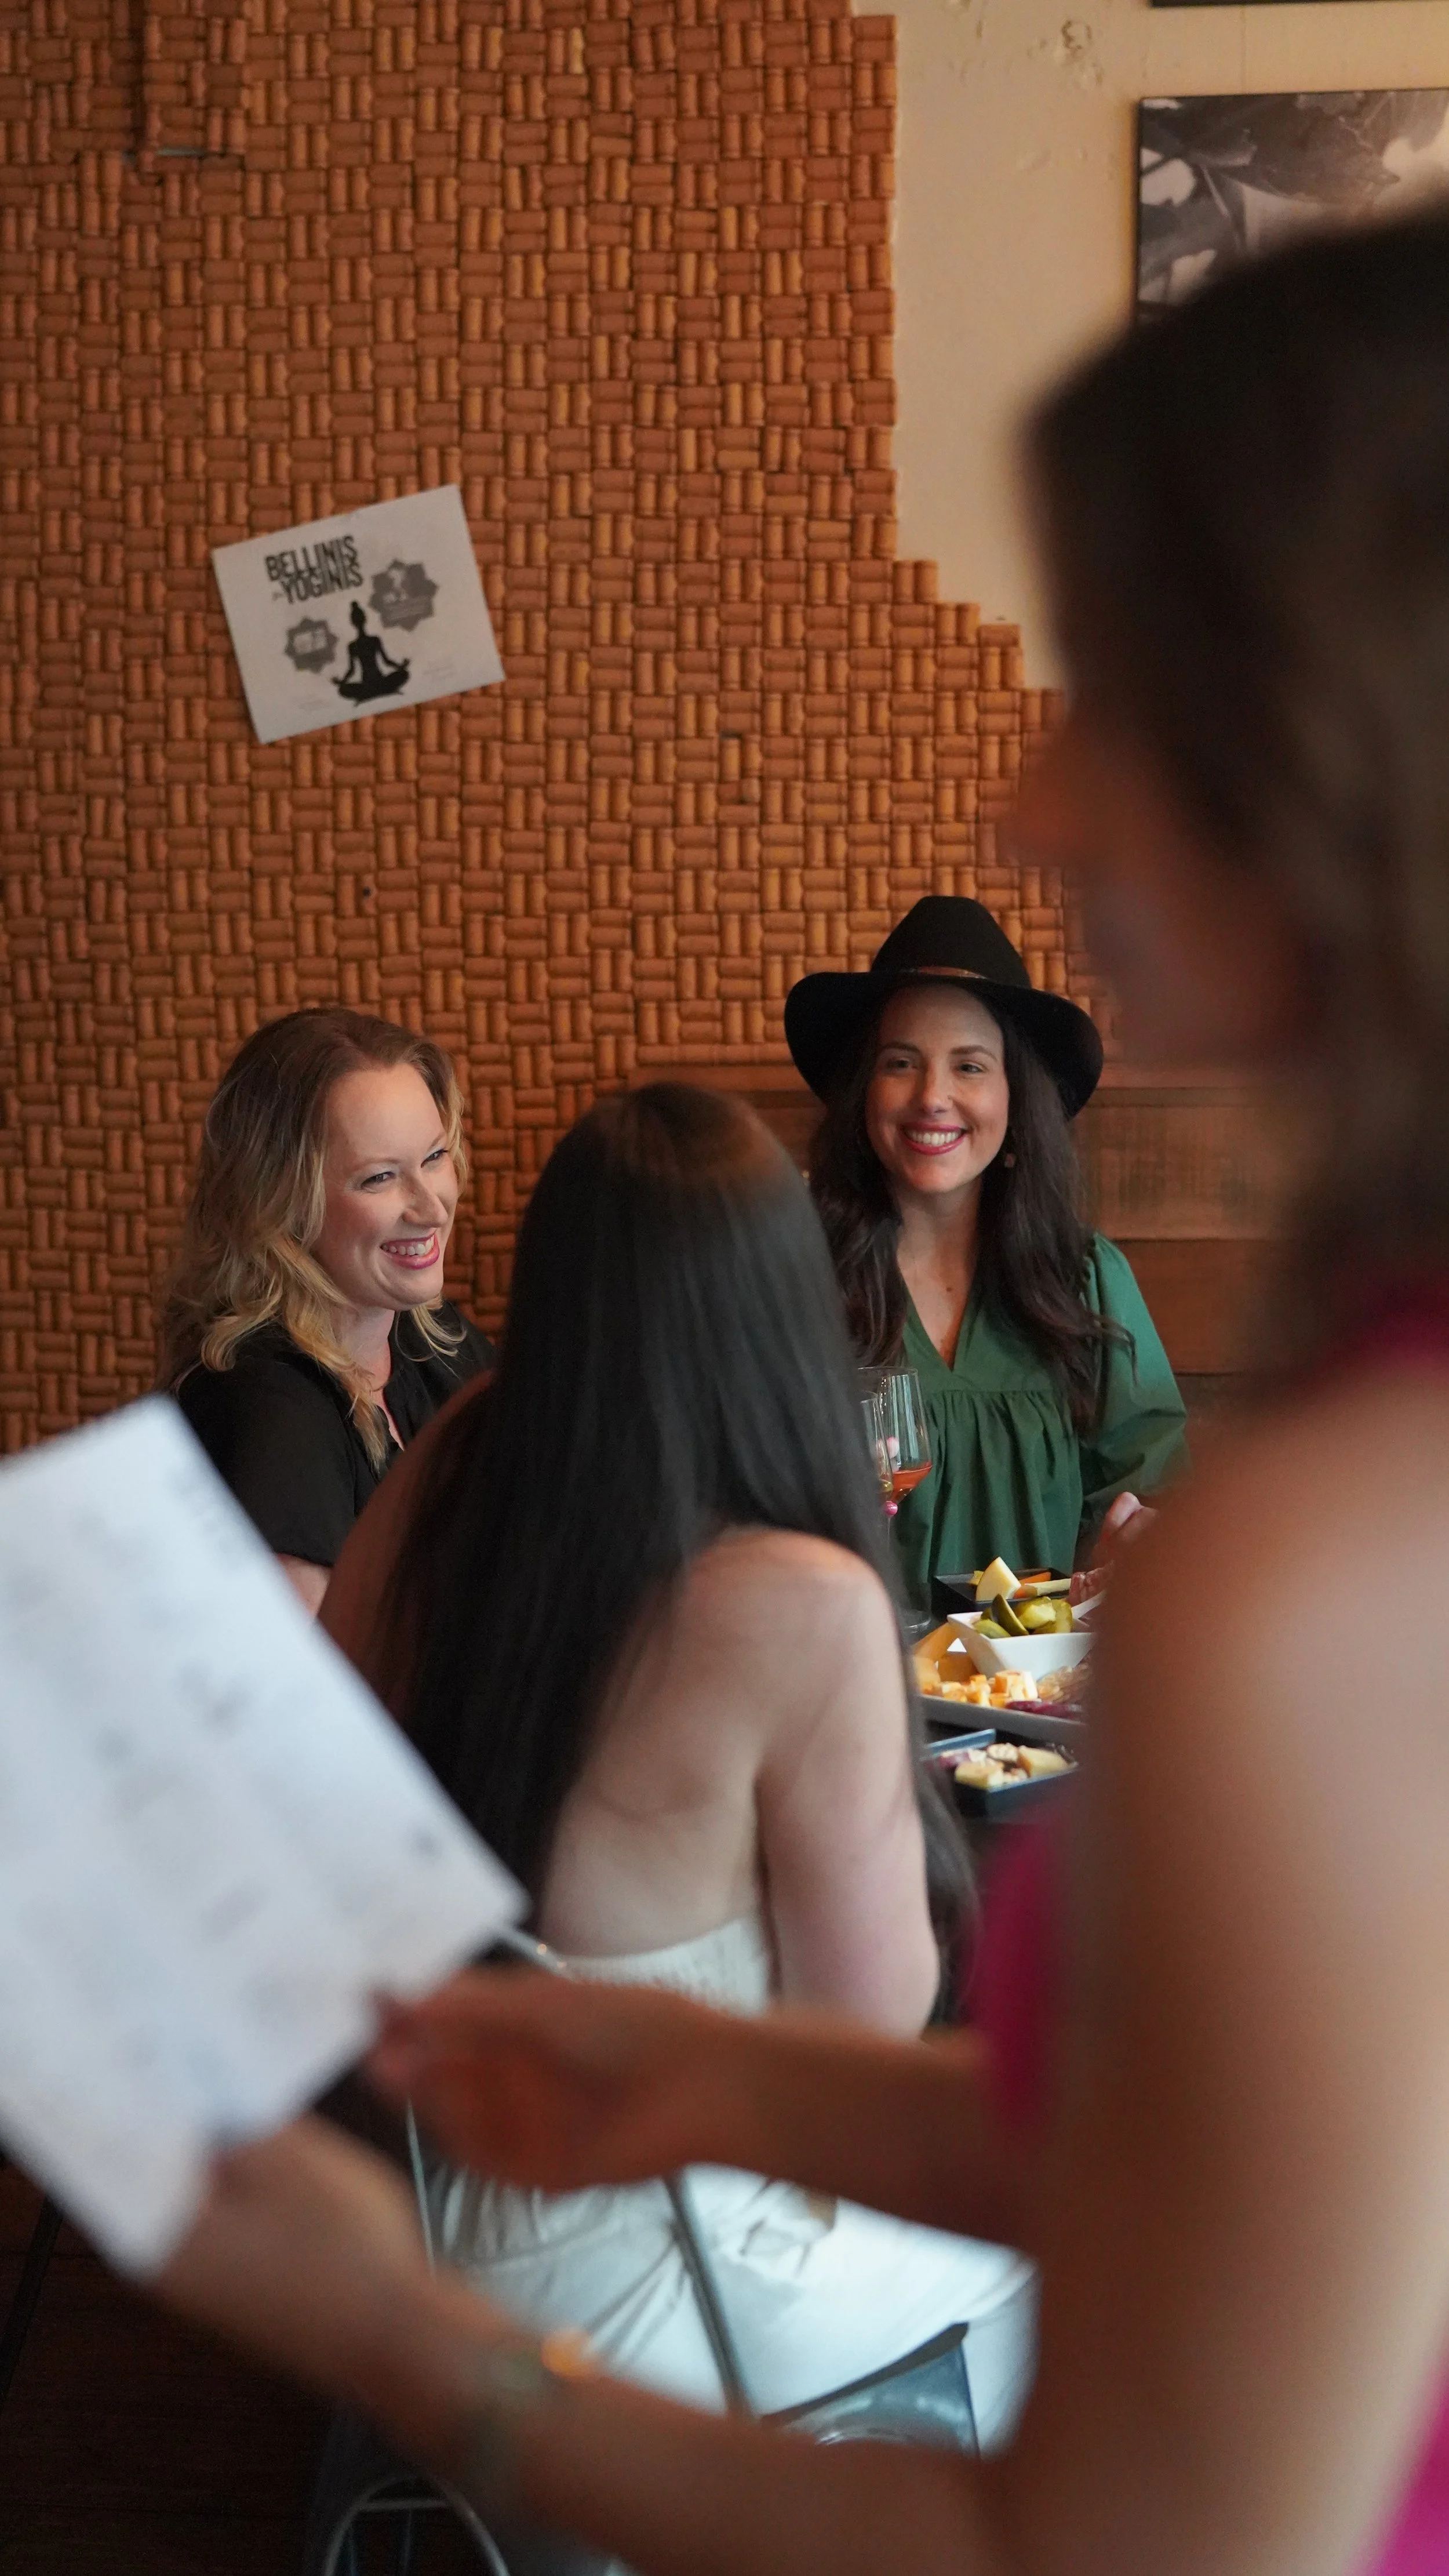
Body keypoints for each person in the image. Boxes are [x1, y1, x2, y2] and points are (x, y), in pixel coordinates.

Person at [155, 207, 1449, 2576]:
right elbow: (1218, 2150)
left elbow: (1124, 2542)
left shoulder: (1314, 1563)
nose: (1033, 809)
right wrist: (707, 2067)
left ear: (1340, 743)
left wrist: (429, 2352)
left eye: (1117, 694)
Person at [316, 1080, 1035, 2439]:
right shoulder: (801, 1599)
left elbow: (325, 1803)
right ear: (782, 1307)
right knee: (1095, 2255)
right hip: (674, 2282)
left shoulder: (449, 1463)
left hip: (427, 2224)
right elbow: (865, 2021)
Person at [785, 895, 1188, 1613]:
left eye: (969, 1067)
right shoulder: (792, 1277)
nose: (932, 1096)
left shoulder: (1085, 1279)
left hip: (1041, 1690)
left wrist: (1139, 1541)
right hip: (852, 1682)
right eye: (900, 1062)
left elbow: (1147, 1490)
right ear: (863, 1092)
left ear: (1014, 1096)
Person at [161, 1007, 493, 1612]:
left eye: (435, 1158)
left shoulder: (433, 1338)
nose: (430, 1207)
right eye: (379, 1178)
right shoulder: (268, 1406)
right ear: (282, 1203)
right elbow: (309, 1688)